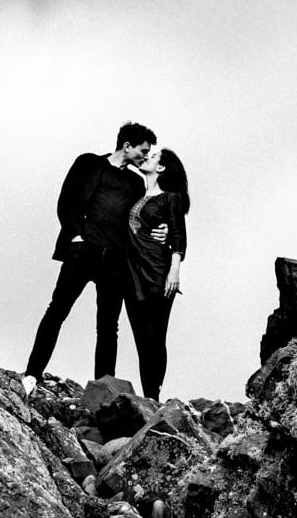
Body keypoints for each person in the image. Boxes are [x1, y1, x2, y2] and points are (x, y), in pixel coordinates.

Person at [22, 122, 156, 392]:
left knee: (108, 328)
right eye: (143, 150)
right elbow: (66, 200)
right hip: (84, 250)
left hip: (116, 259)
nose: (145, 156)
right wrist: (75, 235)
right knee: (57, 310)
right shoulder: (89, 163)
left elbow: (137, 222)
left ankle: (102, 391)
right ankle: (32, 375)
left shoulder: (135, 182)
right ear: (127, 146)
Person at [125, 146, 188, 401]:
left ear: (161, 168)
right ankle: (149, 397)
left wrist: (174, 271)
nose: (146, 158)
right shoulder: (136, 195)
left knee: (154, 336)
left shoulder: (169, 198)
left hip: (159, 274)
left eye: (152, 157)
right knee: (141, 341)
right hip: (133, 275)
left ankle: (154, 396)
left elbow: (178, 236)